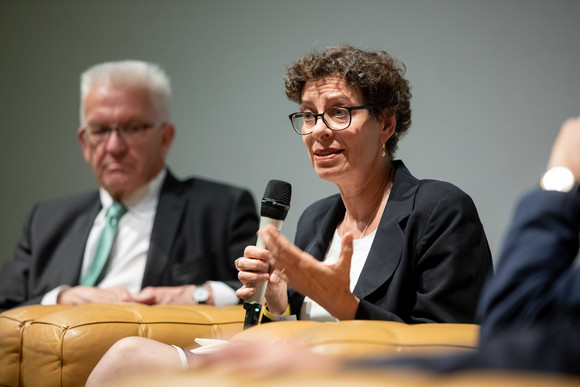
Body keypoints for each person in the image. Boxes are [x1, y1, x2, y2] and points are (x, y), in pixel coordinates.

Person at [86, 45, 492, 386]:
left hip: (362, 379)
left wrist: (346, 306)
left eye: (338, 112)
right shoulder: (316, 220)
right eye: (308, 115)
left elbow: (448, 348)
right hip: (291, 373)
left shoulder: (439, 210)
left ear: (386, 123)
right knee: (127, 359)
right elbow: (294, 327)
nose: (317, 130)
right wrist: (279, 304)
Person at [0, 60, 258, 312]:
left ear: (165, 138)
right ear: (84, 143)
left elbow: (262, 293)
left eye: (132, 128)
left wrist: (198, 294)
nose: (114, 147)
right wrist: (61, 298)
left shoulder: (220, 209)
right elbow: (6, 306)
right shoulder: (46, 221)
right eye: (100, 130)